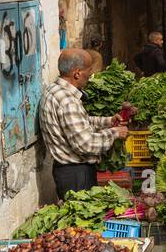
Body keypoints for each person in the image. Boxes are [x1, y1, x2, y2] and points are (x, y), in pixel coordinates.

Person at [40, 49, 129, 199]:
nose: (91, 76)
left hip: (70, 172)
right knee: (81, 221)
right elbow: (85, 144)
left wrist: (108, 122)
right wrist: (115, 133)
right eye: (89, 71)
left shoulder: (54, 90)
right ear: (77, 73)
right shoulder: (67, 101)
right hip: (76, 174)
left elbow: (82, 123)